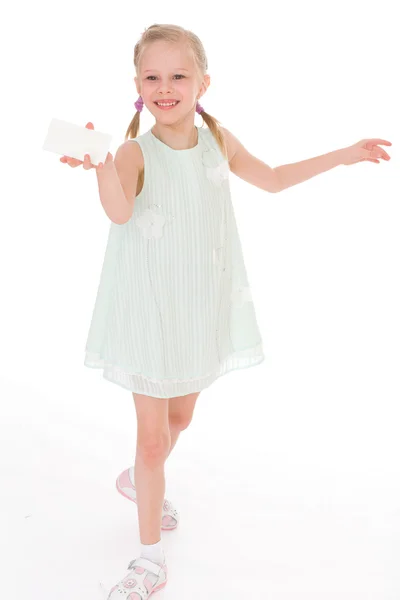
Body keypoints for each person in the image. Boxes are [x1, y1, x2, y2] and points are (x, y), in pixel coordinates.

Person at [60, 23, 391, 600]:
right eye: (153, 76)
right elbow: (118, 212)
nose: (166, 87)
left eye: (178, 75)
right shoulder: (135, 150)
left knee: (179, 422)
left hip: (198, 310)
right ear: (138, 85)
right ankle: (149, 560)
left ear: (203, 82)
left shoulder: (218, 140)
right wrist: (100, 169)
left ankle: (137, 480)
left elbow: (274, 179)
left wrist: (343, 156)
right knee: (153, 441)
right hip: (149, 313)